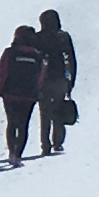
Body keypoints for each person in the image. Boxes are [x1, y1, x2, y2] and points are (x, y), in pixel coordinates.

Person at [0, 23, 48, 165]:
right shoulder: (38, 55)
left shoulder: (10, 52)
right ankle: (18, 155)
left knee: (12, 123)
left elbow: (2, 72)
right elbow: (41, 76)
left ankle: (11, 152)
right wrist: (38, 92)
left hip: (10, 94)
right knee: (24, 125)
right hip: (28, 95)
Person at [35, 10, 79, 154]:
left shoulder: (38, 37)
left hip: (43, 80)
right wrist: (71, 81)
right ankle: (58, 142)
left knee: (44, 112)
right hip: (61, 80)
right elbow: (71, 59)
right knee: (58, 111)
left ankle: (45, 144)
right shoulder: (64, 37)